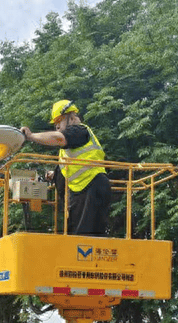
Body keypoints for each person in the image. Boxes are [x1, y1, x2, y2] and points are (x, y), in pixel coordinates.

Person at [20, 100, 112, 236]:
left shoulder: (80, 130)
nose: (57, 126)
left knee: (84, 239)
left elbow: (58, 139)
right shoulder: (69, 148)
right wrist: (54, 174)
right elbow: (70, 168)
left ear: (72, 118)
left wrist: (31, 136)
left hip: (92, 187)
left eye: (59, 121)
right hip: (81, 192)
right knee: (75, 235)